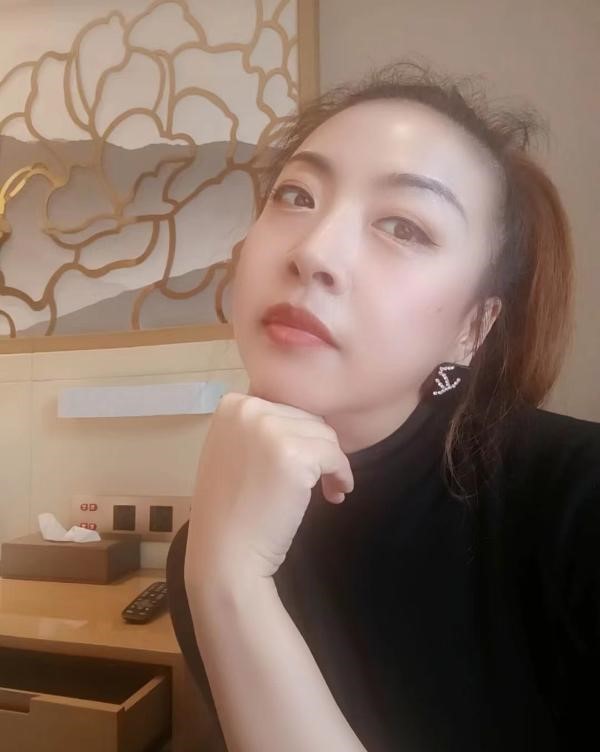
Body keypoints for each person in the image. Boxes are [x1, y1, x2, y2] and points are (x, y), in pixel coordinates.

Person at [166, 61, 600, 752]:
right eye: (296, 196)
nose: (314, 251)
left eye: (404, 227)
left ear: (473, 328)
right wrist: (224, 578)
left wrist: (231, 590)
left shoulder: (579, 502)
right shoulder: (214, 542)